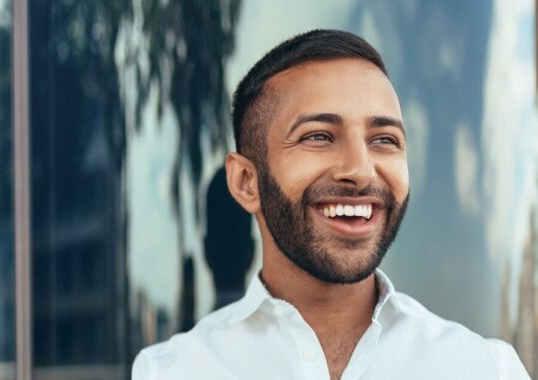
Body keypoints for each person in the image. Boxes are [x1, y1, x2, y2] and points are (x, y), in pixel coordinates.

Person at [132, 29, 530, 380]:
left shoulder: (485, 369)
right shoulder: (170, 372)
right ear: (246, 182)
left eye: (385, 140)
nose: (360, 170)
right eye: (318, 136)